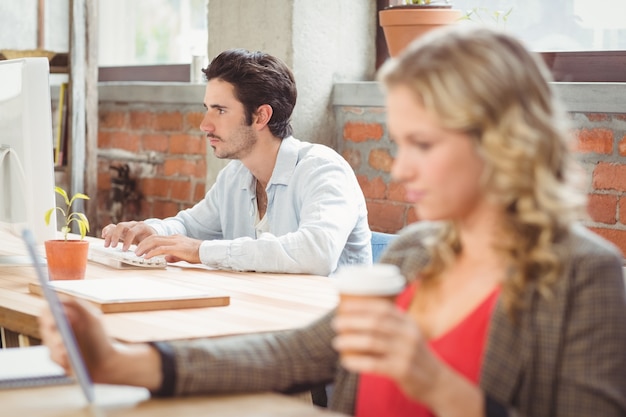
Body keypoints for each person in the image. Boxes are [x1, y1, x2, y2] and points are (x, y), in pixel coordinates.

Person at [40, 26, 626, 416]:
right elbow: (294, 355)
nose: (401, 167)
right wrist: (122, 361)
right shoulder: (419, 252)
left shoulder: (586, 277)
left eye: (422, 142)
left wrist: (437, 385)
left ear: (502, 144)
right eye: (400, 142)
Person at [101, 49, 371, 276]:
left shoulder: (323, 170)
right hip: (265, 317)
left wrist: (200, 251)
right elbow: (188, 227)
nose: (205, 125)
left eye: (220, 110)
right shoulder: (235, 176)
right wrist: (152, 232)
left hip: (333, 329)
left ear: (261, 116)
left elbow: (317, 252)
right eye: (207, 109)